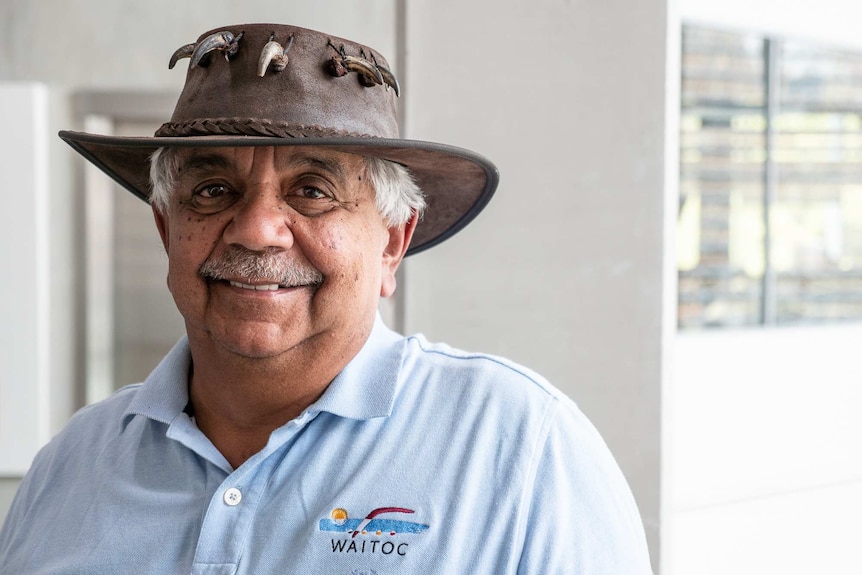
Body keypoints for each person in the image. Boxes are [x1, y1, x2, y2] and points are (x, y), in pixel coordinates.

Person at [0, 23, 652, 574]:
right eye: (211, 190)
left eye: (312, 190)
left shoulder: (521, 449)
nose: (256, 229)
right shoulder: (71, 466)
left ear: (392, 243)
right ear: (169, 230)